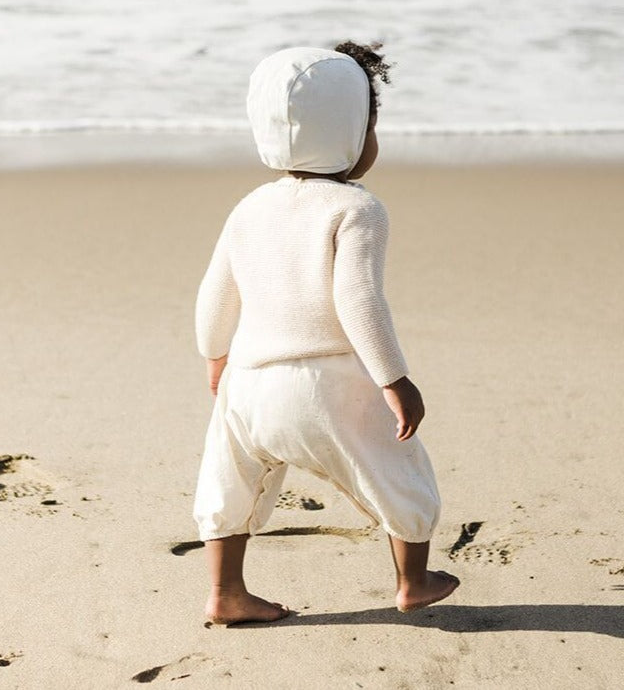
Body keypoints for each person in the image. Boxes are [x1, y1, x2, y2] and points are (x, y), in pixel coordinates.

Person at [193, 42, 459, 624]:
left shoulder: (249, 208)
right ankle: (413, 580)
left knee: (230, 483)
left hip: (248, 382)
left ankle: (226, 593)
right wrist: (395, 379)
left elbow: (215, 293)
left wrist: (216, 356)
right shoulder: (355, 209)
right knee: (399, 472)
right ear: (350, 133)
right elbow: (358, 299)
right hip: (329, 383)